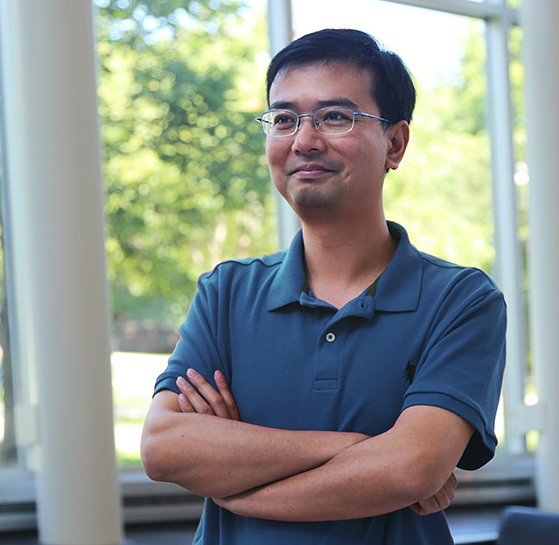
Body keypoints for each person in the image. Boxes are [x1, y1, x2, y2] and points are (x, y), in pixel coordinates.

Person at [141, 28, 507, 544]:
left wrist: (234, 482)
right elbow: (164, 447)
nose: (304, 140)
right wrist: (367, 449)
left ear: (395, 143)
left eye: (335, 117)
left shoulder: (462, 301)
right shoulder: (226, 292)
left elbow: (409, 471)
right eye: (284, 119)